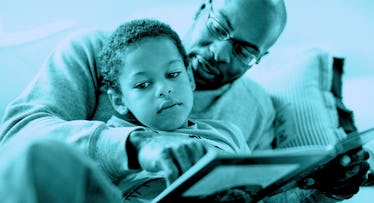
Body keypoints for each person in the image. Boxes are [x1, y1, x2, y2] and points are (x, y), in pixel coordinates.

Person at [0, 0, 369, 202]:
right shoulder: (97, 51)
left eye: (244, 50)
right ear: (201, 9)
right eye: (219, 27)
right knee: (37, 161)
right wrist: (134, 144)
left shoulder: (255, 108)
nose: (220, 54)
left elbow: (260, 194)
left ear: (261, 59)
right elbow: (18, 140)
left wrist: (321, 190)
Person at [98, 18, 250, 201]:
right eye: (143, 84)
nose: (164, 89)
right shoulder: (111, 143)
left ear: (190, 78)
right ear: (119, 100)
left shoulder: (228, 134)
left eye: (172, 74)